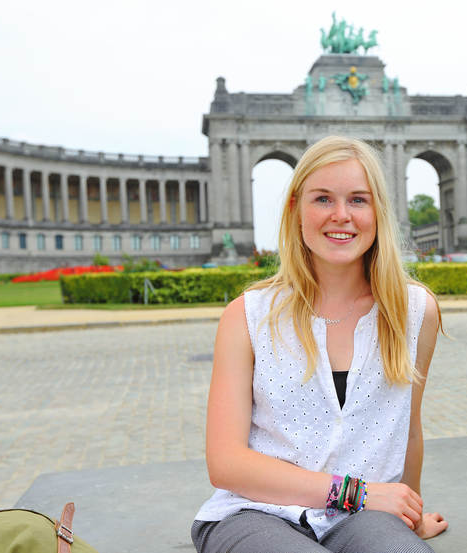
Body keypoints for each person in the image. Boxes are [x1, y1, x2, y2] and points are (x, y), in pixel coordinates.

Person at [192, 136, 448, 553]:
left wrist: (408, 517)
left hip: (363, 519)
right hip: (254, 513)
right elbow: (226, 464)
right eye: (323, 199)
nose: (341, 216)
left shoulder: (416, 311)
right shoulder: (246, 316)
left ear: (378, 211)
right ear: (296, 210)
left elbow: (409, 429)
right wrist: (358, 494)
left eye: (358, 200)